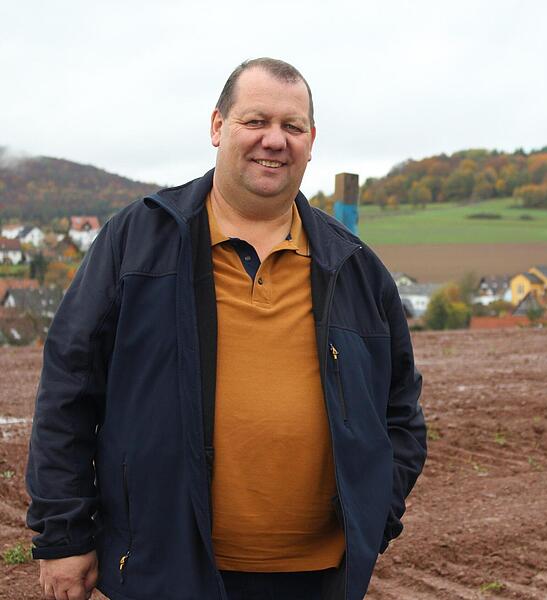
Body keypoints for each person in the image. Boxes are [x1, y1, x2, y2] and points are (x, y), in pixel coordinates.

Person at [26, 57, 427, 600]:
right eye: (255, 121)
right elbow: (68, 390)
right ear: (218, 126)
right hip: (167, 569)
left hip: (318, 578)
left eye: (292, 126)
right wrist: (63, 535)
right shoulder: (138, 241)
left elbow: (400, 412)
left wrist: (374, 511)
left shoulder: (354, 266)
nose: (274, 140)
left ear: (311, 141)